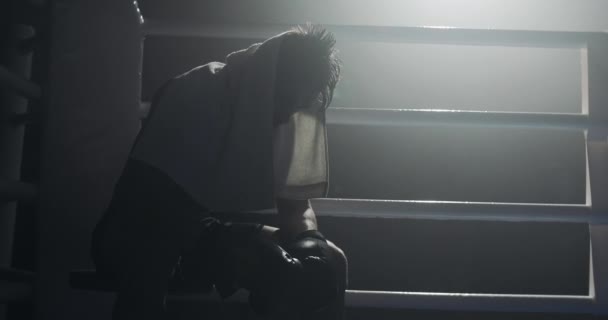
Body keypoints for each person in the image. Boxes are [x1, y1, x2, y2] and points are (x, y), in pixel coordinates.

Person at [91, 23, 347, 319]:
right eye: (286, 102)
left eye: (297, 106)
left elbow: (297, 207)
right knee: (153, 261)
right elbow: (150, 202)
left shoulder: (291, 112)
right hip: (137, 227)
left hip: (198, 229)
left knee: (330, 262)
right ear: (273, 82)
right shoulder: (196, 92)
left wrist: (309, 249)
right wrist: (242, 255)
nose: (287, 115)